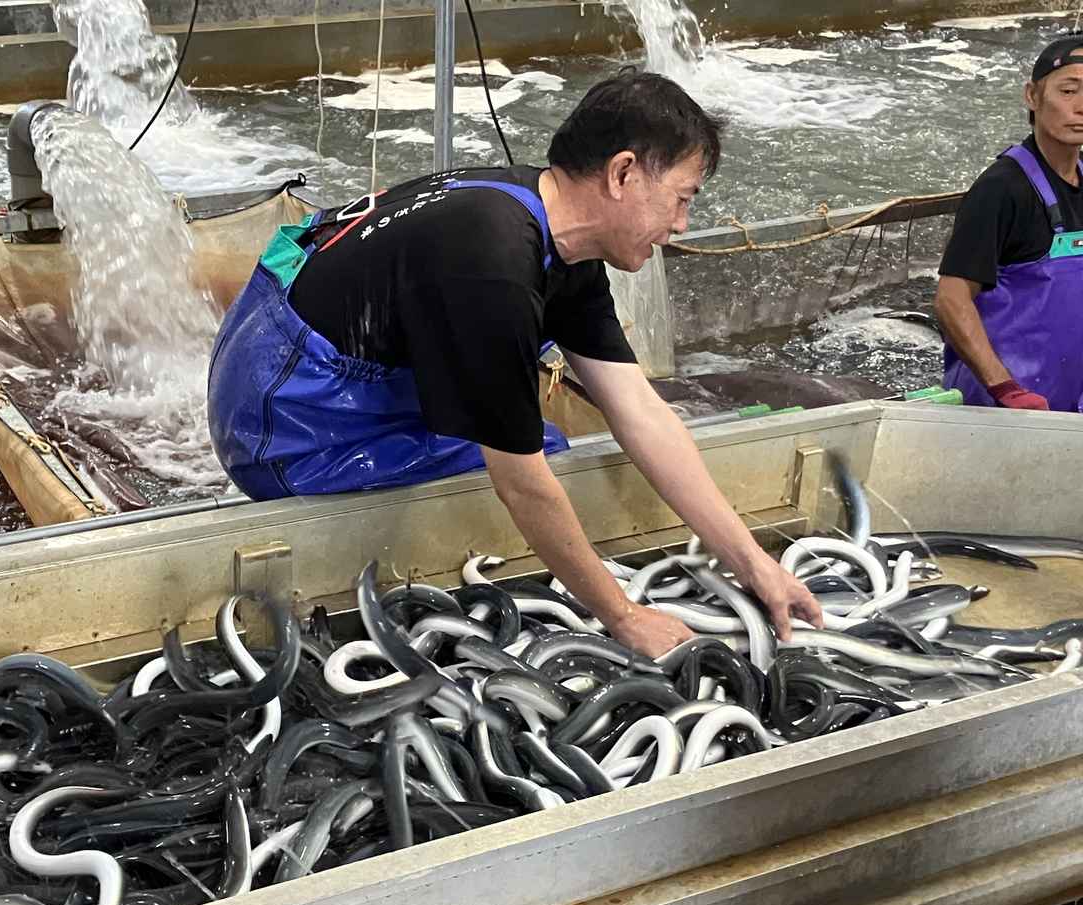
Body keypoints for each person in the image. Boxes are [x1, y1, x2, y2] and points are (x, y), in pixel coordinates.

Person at [208, 69, 822, 657]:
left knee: (538, 456)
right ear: (623, 173)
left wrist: (757, 567)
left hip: (313, 368)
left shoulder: (557, 235)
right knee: (540, 467)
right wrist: (624, 617)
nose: (680, 226)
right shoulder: (492, 259)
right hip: (287, 424)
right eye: (681, 199)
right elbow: (521, 483)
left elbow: (641, 413)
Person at [936, 34, 1083, 412]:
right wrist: (1006, 389)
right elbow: (952, 300)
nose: (1080, 106)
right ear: (1032, 96)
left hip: (1067, 402)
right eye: (1068, 91)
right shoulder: (1000, 189)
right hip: (1001, 410)